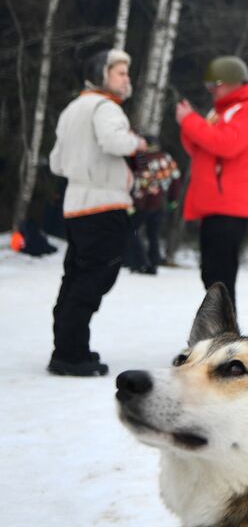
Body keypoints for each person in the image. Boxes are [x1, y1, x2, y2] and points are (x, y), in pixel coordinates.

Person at [47, 48, 147, 376]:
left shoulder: (73, 108)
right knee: (95, 276)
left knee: (75, 276)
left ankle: (67, 345)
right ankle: (71, 355)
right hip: (104, 204)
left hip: (76, 205)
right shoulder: (106, 107)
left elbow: (56, 163)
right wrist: (139, 143)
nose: (126, 78)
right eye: (120, 72)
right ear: (102, 74)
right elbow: (113, 142)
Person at [176, 55, 248, 305]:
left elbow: (225, 144)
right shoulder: (221, 111)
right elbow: (199, 147)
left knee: (220, 276)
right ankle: (223, 331)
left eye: (214, 85)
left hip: (231, 204)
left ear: (232, 82)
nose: (211, 91)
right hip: (215, 203)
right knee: (212, 274)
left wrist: (189, 121)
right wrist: (192, 126)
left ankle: (226, 334)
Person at [123, 136, 181, 275]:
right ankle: (153, 262)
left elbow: (143, 182)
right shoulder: (165, 158)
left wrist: (134, 204)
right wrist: (173, 199)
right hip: (160, 203)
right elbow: (176, 178)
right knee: (152, 234)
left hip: (142, 203)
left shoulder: (142, 157)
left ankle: (140, 261)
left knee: (132, 230)